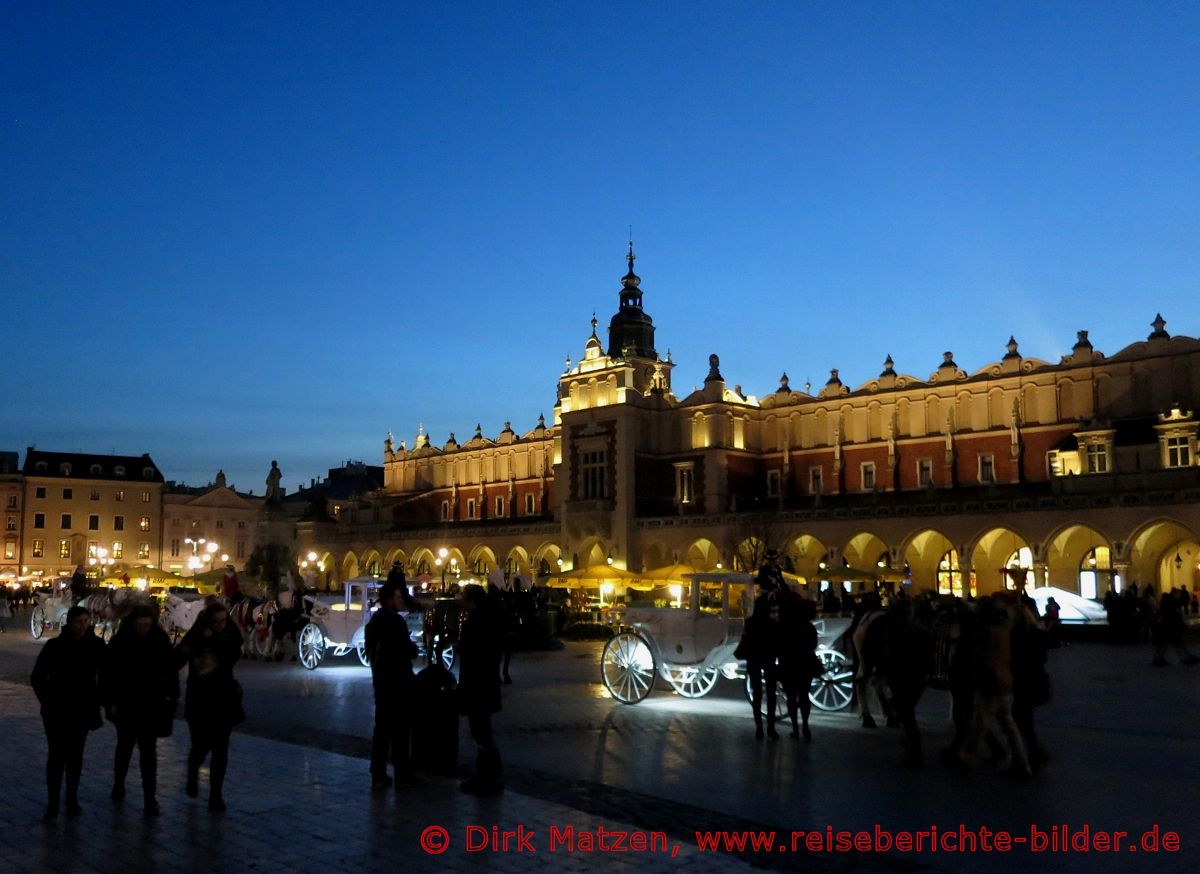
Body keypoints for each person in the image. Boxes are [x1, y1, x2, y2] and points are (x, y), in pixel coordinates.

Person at [30, 605, 106, 820]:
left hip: (82, 709)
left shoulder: (96, 646)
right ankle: (53, 802)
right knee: (56, 756)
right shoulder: (54, 646)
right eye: (78, 621)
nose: (82, 626)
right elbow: (37, 676)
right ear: (69, 622)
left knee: (75, 756)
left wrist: (98, 698)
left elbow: (108, 674)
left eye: (85, 621)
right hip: (57, 709)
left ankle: (71, 799)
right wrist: (46, 700)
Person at [103, 603, 178, 815]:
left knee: (148, 753)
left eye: (147, 625)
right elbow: (109, 673)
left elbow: (170, 670)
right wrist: (111, 701)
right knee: (124, 747)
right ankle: (119, 782)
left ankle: (149, 797)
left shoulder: (160, 640)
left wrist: (171, 696)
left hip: (151, 704)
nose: (143, 628)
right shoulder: (120, 641)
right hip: (126, 703)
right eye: (140, 625)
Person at [176, 602, 244, 812]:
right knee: (200, 745)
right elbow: (179, 657)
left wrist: (212, 640)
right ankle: (193, 774)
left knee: (220, 749)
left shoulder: (231, 636)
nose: (219, 625)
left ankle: (216, 795)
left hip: (223, 699)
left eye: (223, 621)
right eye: (215, 622)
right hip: (199, 699)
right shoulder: (196, 635)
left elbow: (231, 655)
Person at [365, 580, 420, 790]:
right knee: (400, 730)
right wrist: (412, 649)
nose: (400, 600)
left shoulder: (375, 621)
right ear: (389, 600)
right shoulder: (396, 622)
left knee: (382, 729)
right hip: (398, 681)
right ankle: (402, 773)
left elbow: (371, 650)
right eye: (397, 597)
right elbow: (407, 649)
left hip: (381, 681)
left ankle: (378, 772)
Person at [457, 584, 504, 794]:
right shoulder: (491, 621)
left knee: (481, 732)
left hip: (476, 686)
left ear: (472, 601)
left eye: (464, 597)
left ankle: (490, 777)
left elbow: (467, 653)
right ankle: (488, 774)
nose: (461, 600)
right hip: (488, 684)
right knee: (483, 731)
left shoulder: (473, 623)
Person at [744, 550, 785, 739]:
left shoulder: (751, 622)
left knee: (758, 694)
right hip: (768, 660)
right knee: (769, 693)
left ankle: (759, 728)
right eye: (771, 559)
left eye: (773, 559)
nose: (772, 562)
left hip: (754, 661)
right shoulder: (771, 624)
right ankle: (770, 728)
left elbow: (747, 639)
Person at [778, 592, 819, 741]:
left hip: (789, 663)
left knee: (791, 696)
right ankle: (806, 726)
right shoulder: (809, 627)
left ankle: (795, 727)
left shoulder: (786, 626)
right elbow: (813, 645)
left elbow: (781, 646)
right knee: (804, 695)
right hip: (806, 663)